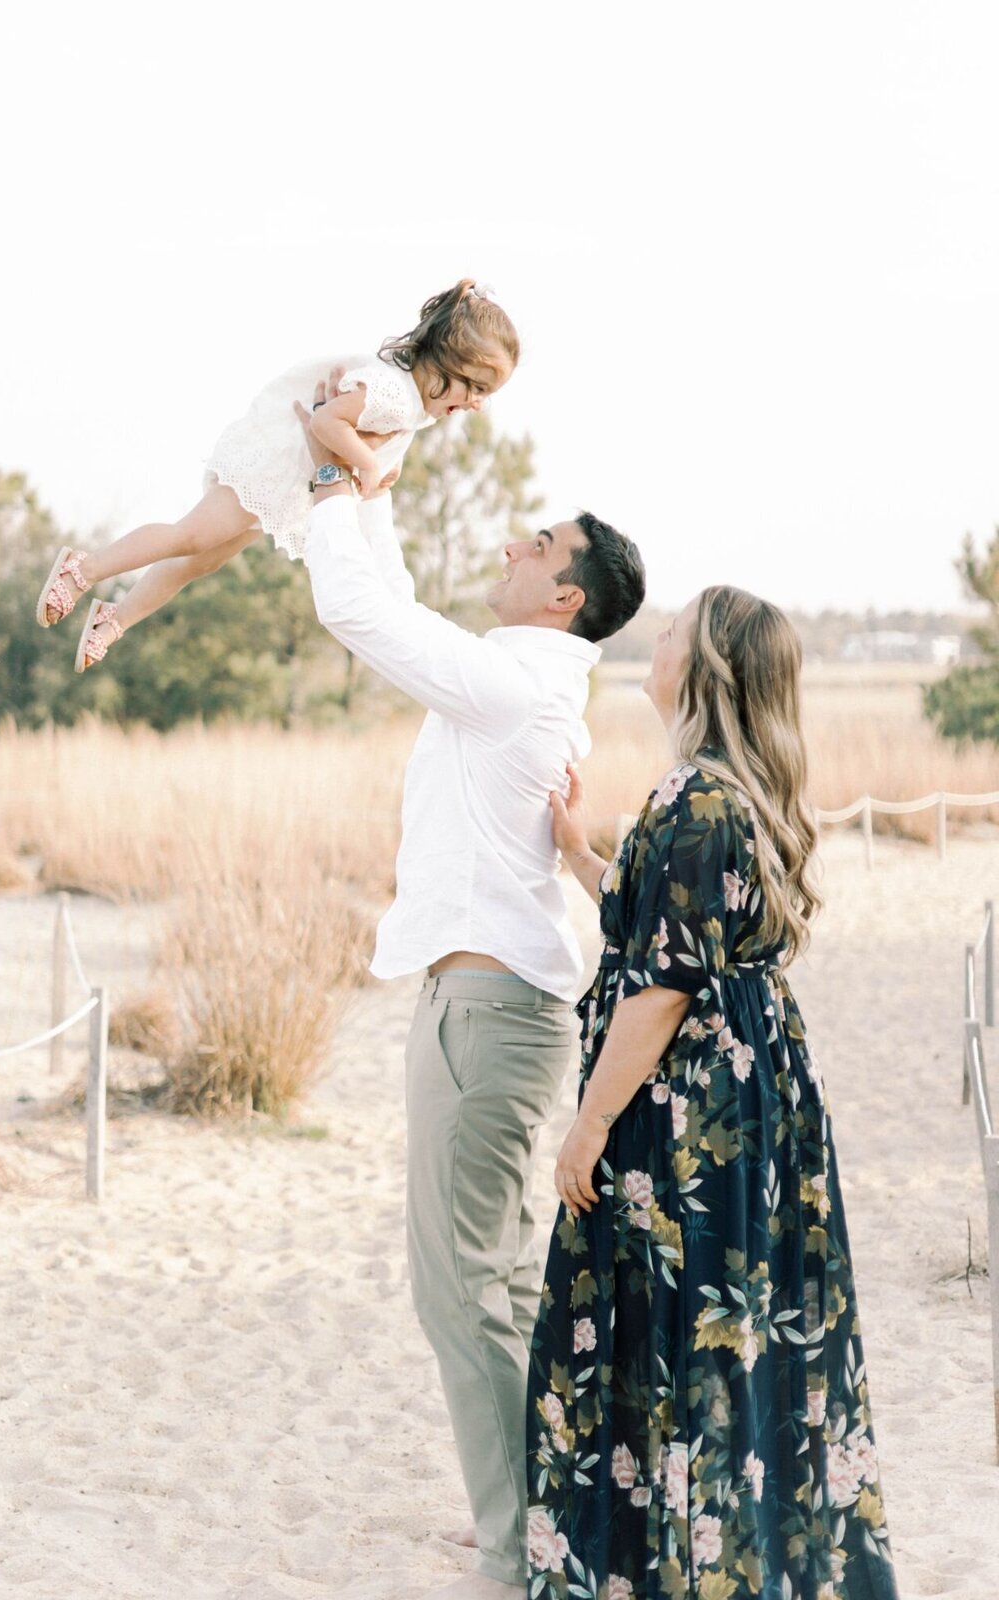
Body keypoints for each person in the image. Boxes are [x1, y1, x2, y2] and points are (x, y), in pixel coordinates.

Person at [293, 384, 646, 1599]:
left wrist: (339, 485)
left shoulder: (515, 687)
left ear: (566, 596)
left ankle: (520, 1547)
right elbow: (390, 610)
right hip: (486, 1012)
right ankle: (536, 1514)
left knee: (463, 1293)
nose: (512, 543)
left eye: (539, 545)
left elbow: (354, 609)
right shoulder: (516, 678)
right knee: (492, 1282)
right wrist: (372, 497)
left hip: (487, 1017)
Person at [528, 588, 899, 1599]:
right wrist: (578, 853)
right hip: (751, 1098)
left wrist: (590, 1122)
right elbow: (669, 928)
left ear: (710, 669)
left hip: (691, 1112)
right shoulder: (732, 792)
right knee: (733, 1330)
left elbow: (661, 984)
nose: (656, 638)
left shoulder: (697, 798)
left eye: (675, 628)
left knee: (678, 1324)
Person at [33, 278, 517, 672]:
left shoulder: (414, 405)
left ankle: (115, 618)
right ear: (446, 362)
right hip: (272, 470)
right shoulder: (393, 392)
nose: (475, 404)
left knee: (200, 560)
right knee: (191, 536)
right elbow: (328, 421)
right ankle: (83, 570)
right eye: (475, 388)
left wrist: (376, 468)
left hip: (286, 486)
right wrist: (368, 465)